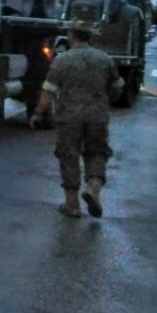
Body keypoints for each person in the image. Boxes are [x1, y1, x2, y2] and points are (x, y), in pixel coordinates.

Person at [30, 19, 123, 218]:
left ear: (71, 35)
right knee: (97, 153)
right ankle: (93, 187)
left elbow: (48, 91)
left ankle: (72, 204)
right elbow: (118, 87)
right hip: (98, 115)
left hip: (69, 117)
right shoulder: (105, 59)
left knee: (68, 155)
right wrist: (106, 102)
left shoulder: (62, 60)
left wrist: (38, 113)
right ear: (90, 36)